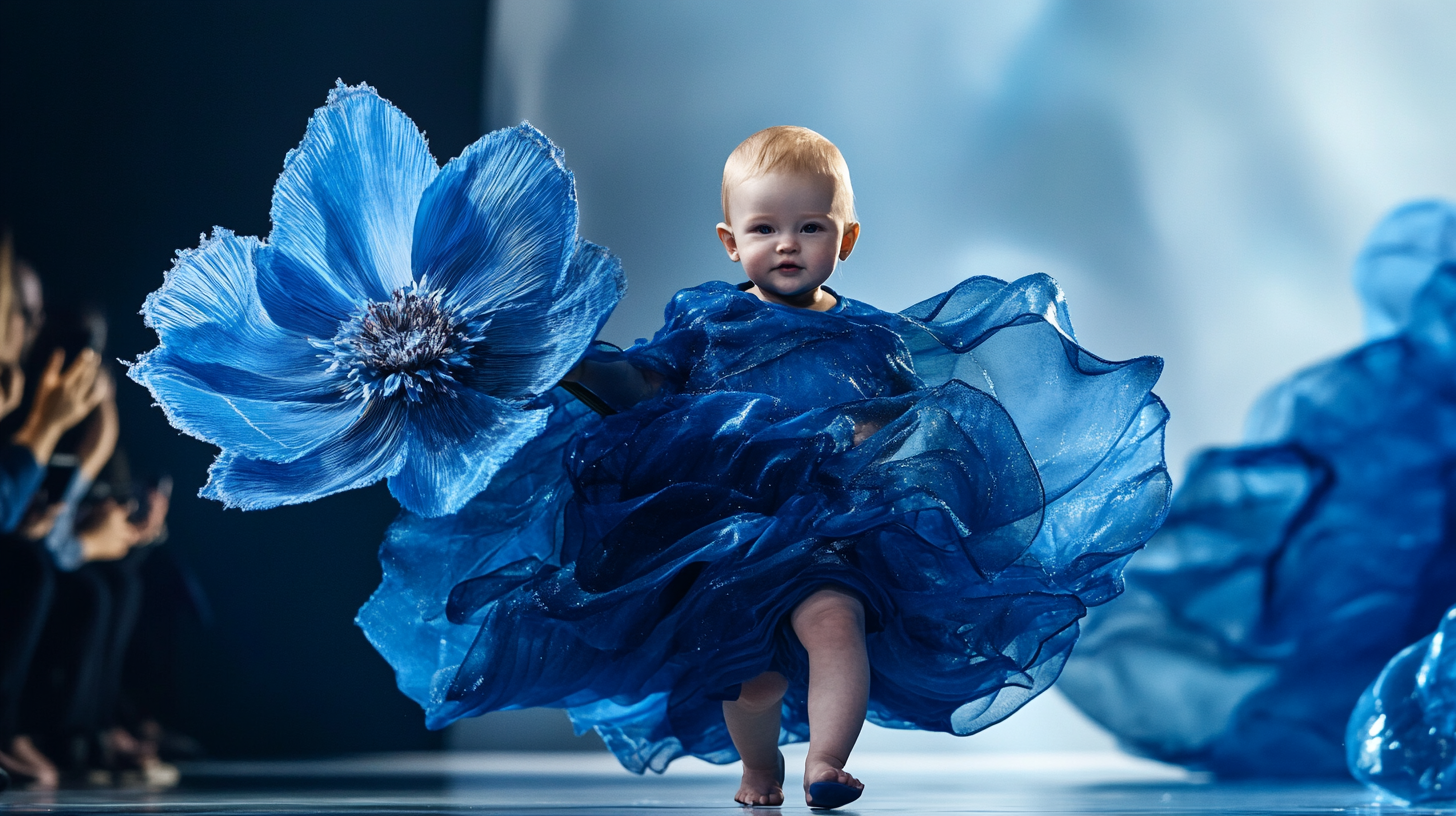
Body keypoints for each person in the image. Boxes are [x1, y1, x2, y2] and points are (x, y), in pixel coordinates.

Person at [358, 126, 1172, 808]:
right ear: (731, 241)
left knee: (835, 622)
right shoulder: (707, 323)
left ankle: (828, 760)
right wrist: (571, 364)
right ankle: (760, 765)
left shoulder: (871, 338)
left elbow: (901, 414)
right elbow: (643, 383)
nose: (788, 244)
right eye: (764, 229)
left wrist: (864, 435)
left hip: (828, 525)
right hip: (719, 534)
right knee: (745, 679)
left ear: (845, 239)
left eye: (812, 227)